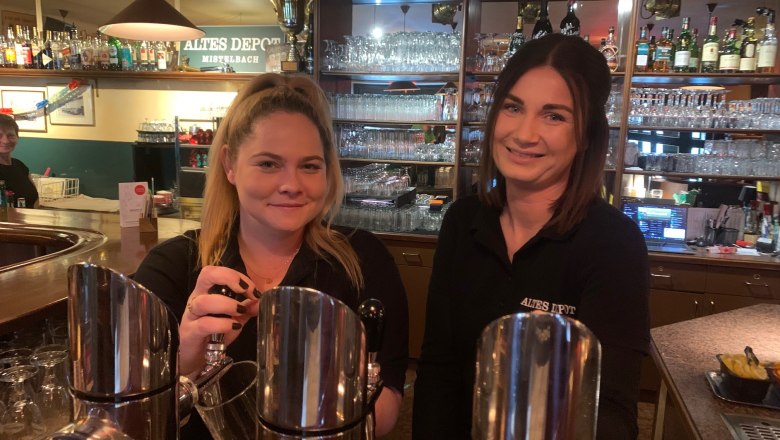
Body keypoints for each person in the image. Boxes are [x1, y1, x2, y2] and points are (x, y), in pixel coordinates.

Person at [133, 73, 409, 438]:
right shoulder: (172, 267)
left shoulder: (362, 261)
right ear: (230, 164)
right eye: (268, 164)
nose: (291, 185)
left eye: (309, 166)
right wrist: (184, 364)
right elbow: (133, 422)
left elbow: (386, 412)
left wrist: (330, 372)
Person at [412, 34, 650, 439]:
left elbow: (610, 412)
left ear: (586, 136)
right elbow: (439, 373)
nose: (524, 134)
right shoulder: (462, 222)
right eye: (513, 107)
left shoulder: (614, 244)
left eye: (553, 116)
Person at [0, 114, 39, 208]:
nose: (5, 141)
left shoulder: (20, 165)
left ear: (17, 137)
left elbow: (35, 198)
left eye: (10, 135)